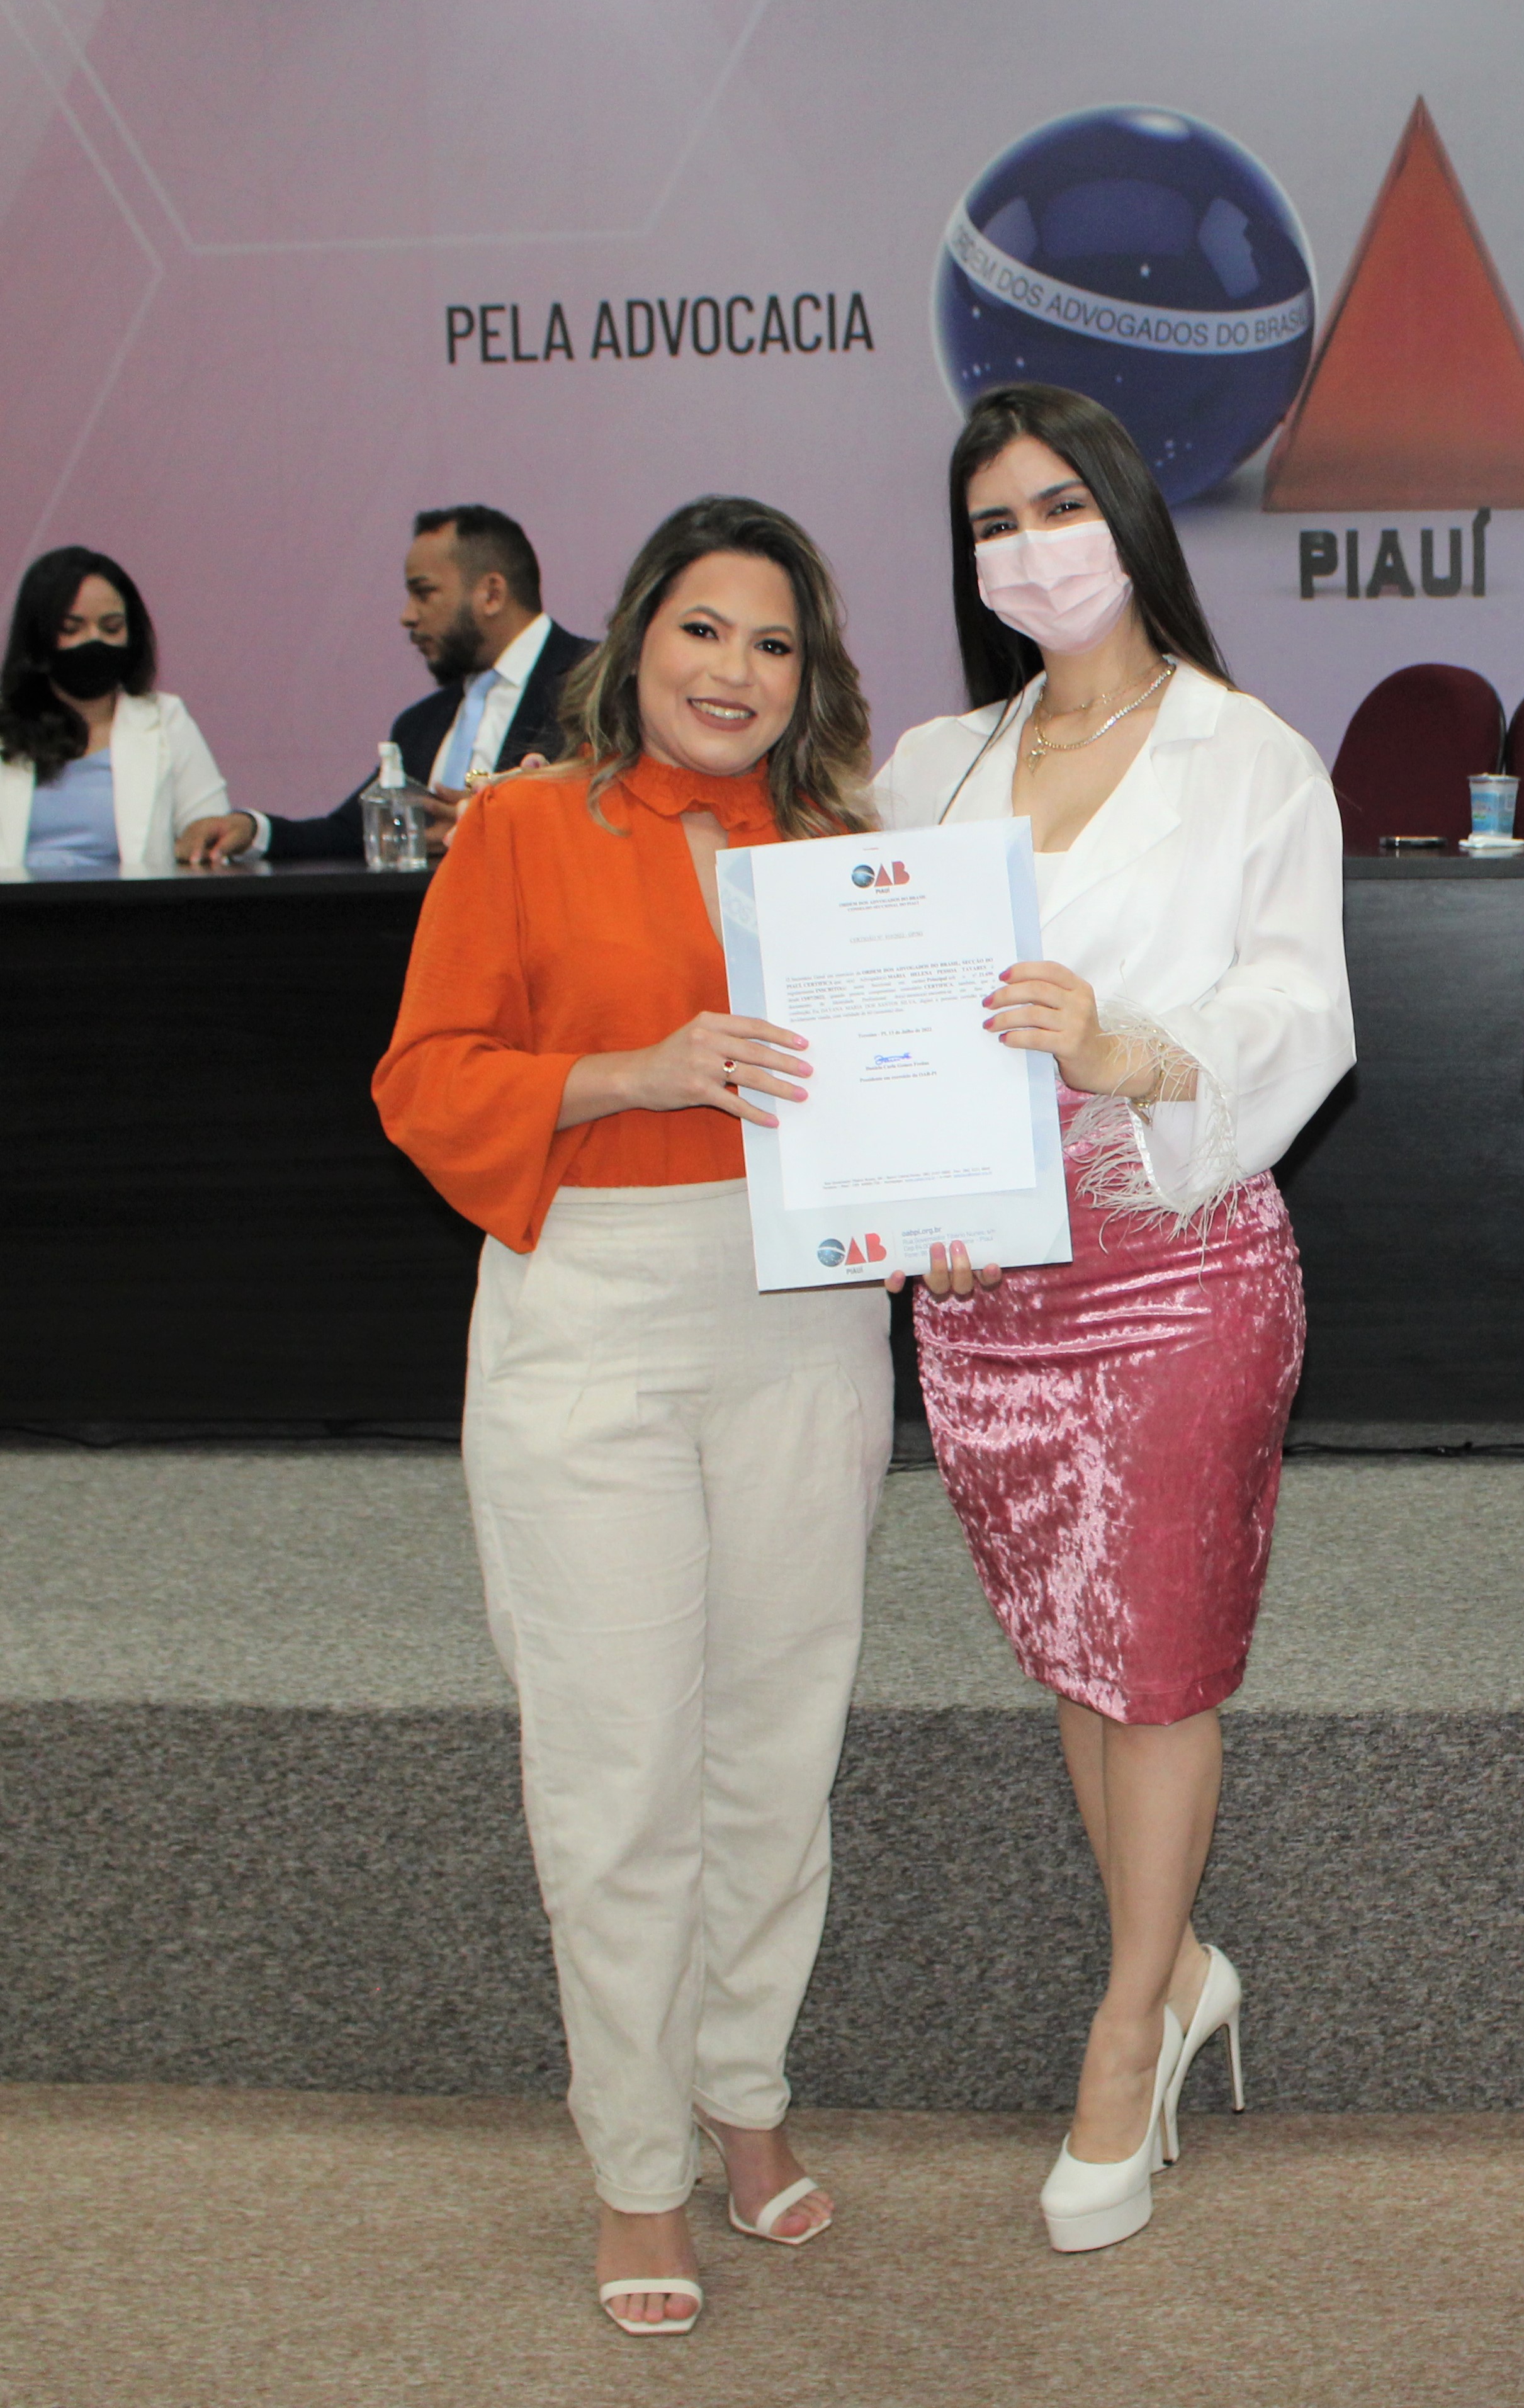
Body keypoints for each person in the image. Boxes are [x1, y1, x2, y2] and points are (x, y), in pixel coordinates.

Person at [372, 496, 887, 2339]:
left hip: (806, 1323)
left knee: (776, 1740)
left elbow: (899, 1110)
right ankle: (635, 2162)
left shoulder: (847, 853)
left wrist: (950, 1197)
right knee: (619, 1768)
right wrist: (631, 1072)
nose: (735, 671)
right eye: (703, 629)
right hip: (590, 1313)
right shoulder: (522, 822)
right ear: (636, 639)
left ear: (809, 674)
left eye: (774, 642)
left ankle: (744, 2095)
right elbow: (426, 1080)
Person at [866, 383, 1351, 2254]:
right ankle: (1182, 1960)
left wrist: (1122, 1047)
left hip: (1175, 1257)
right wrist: (914, 1203)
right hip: (987, 1290)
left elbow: (1302, 1015)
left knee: (1158, 1661)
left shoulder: (1248, 756)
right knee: (1080, 1651)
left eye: (1060, 505)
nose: (1029, 548)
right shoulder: (929, 766)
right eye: (993, 522)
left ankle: (1128, 2022)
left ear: (1134, 519)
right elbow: (877, 1023)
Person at [182, 504, 594, 866]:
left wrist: (486, 822)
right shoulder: (421, 723)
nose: (407, 616)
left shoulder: (596, 684)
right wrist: (253, 830)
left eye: (424, 593)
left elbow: (602, 817)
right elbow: (353, 832)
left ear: (491, 594)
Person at [0, 546, 237, 878]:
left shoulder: (166, 719)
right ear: (38, 637)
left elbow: (212, 833)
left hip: (130, 908)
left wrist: (207, 839)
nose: (94, 640)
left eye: (111, 628)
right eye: (71, 629)